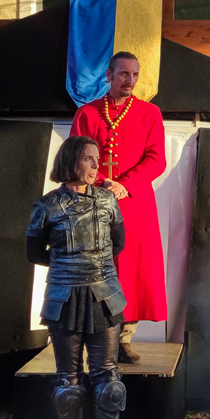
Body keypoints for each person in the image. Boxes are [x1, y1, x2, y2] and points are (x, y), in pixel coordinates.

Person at [26, 136, 133, 419]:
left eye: (97, 159)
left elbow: (119, 244)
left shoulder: (107, 201)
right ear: (71, 161)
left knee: (109, 384)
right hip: (65, 299)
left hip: (104, 296)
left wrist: (92, 267)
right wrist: (68, 266)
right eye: (88, 159)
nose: (95, 166)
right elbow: (33, 252)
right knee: (67, 386)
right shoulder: (46, 206)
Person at [70, 52, 167, 364]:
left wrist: (125, 184)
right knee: (98, 269)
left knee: (132, 271)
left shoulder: (149, 113)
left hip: (135, 204)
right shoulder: (87, 113)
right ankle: (98, 339)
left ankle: (124, 339)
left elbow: (156, 159)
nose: (130, 81)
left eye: (135, 75)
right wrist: (100, 181)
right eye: (124, 74)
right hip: (95, 204)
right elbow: (77, 156)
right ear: (109, 76)